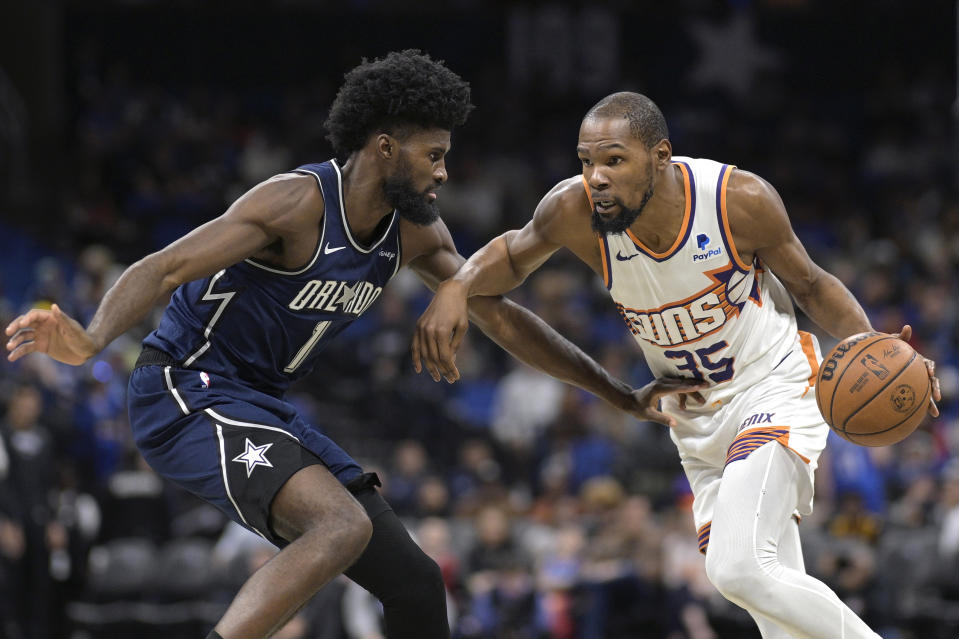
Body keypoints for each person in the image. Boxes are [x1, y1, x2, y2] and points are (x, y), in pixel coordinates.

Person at [4, 54, 657, 639]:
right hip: (184, 387)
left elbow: (502, 315)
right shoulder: (295, 204)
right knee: (341, 526)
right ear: (383, 148)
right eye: (432, 153)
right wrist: (91, 339)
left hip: (259, 402)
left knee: (416, 584)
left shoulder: (415, 233)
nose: (444, 171)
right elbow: (165, 266)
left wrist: (616, 392)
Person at [412, 91, 942, 638]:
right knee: (772, 600)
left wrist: (880, 350)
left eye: (614, 160)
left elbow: (811, 283)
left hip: (773, 384)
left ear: (661, 156)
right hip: (695, 419)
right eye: (586, 161)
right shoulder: (573, 210)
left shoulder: (738, 198)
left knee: (736, 567)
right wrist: (459, 285)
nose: (595, 176)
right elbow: (511, 253)